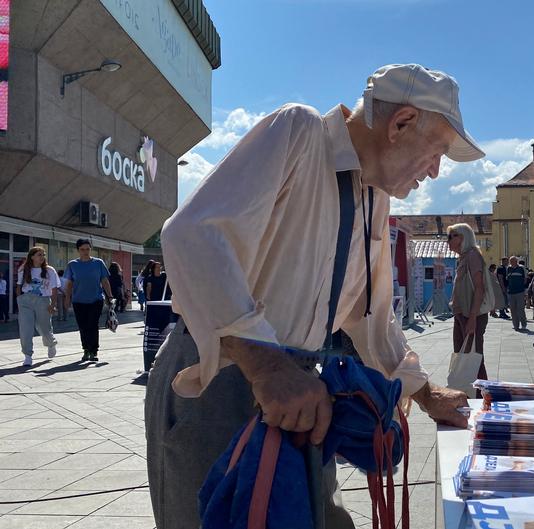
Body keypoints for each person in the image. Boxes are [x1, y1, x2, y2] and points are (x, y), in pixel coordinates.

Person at [147, 64, 482, 529]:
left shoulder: (374, 195)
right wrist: (266, 366)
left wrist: (426, 395)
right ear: (401, 123)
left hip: (298, 388)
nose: (435, 170)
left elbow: (372, 320)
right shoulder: (301, 131)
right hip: (223, 376)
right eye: (437, 152)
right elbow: (191, 235)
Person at [449, 223, 489, 390]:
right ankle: (467, 392)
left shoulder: (473, 255)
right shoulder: (463, 258)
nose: (448, 240)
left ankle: (484, 395)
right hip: (461, 314)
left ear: (464, 238)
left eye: (452, 236)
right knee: (463, 356)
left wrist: (472, 319)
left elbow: (480, 287)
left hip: (471, 315)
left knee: (473, 358)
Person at [64, 239, 114, 363]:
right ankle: (86, 349)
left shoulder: (98, 263)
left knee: (93, 324)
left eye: (87, 249)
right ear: (78, 250)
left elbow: (104, 281)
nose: (85, 252)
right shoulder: (72, 265)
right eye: (82, 249)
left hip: (95, 299)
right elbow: (69, 283)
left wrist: (110, 296)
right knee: (83, 326)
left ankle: (94, 350)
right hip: (78, 301)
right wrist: (67, 298)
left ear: (90, 249)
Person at [15, 247, 59, 366]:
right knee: (25, 329)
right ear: (32, 256)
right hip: (26, 301)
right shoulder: (23, 269)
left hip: (43, 300)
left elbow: (54, 289)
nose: (42, 257)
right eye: (39, 255)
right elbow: (18, 286)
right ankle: (27, 355)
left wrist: (52, 304)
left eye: (43, 255)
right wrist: (19, 300)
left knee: (44, 328)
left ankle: (51, 344)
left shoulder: (50, 270)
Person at [506, 256, 528, 330]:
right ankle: (516, 325)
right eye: (510, 261)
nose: (511, 263)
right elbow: (507, 279)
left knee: (520, 309)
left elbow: (525, 279)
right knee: (513, 309)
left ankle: (524, 324)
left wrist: (523, 288)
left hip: (520, 291)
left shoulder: (521, 268)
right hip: (511, 292)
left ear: (516, 261)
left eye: (513, 261)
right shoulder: (508, 268)